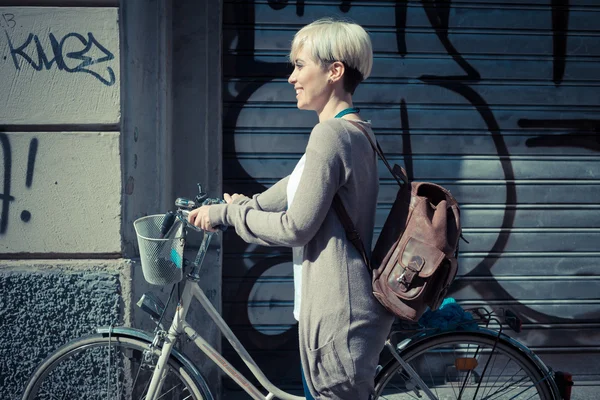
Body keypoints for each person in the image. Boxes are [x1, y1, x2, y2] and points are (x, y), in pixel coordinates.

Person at [188, 17, 394, 399]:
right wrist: (234, 207)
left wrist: (228, 215)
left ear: (334, 71)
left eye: (300, 65)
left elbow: (296, 226)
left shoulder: (330, 135)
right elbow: (288, 191)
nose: (290, 77)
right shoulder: (354, 129)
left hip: (338, 321)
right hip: (340, 314)